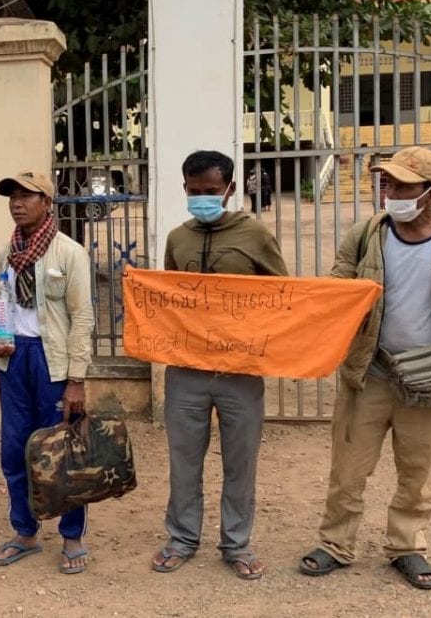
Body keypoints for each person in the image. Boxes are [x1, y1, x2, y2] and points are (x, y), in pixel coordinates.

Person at [299, 146, 431, 590]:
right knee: (348, 469)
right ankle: (336, 544)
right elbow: (335, 295)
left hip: (430, 379)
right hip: (369, 374)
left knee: (417, 472)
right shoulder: (365, 236)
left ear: (430, 194)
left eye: (402, 185)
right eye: (387, 183)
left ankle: (407, 547)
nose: (391, 192)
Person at [150, 150, 288, 580]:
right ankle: (182, 538)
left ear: (230, 188)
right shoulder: (178, 238)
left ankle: (237, 544)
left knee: (240, 461)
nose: (203, 199)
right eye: (195, 192)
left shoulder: (256, 236)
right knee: (183, 460)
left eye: (211, 192)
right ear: (184, 189)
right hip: (186, 372)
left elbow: (283, 296)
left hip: (241, 372)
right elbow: (171, 297)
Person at [0, 170, 95, 574]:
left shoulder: (69, 253)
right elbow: (3, 303)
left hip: (53, 361)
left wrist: (76, 379)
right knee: (15, 451)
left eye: (27, 196)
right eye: (12, 195)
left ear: (47, 203)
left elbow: (82, 316)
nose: (17, 202)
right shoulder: (6, 252)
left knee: (61, 452)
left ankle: (71, 537)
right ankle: (25, 532)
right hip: (14, 359)